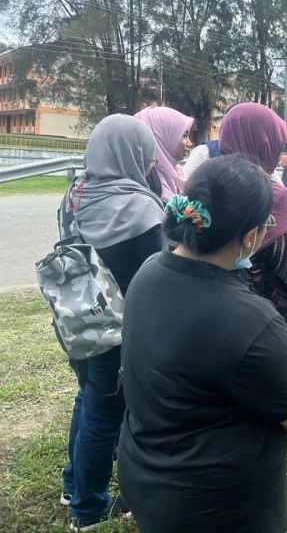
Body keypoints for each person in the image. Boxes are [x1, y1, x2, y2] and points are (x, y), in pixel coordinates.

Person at [118, 155, 287, 533]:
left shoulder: (147, 273)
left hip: (146, 481)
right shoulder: (251, 319)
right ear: (249, 238)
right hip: (217, 506)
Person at [59, 114, 164, 532]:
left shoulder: (76, 193)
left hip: (77, 323)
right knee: (104, 417)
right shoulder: (139, 206)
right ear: (133, 152)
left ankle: (74, 485)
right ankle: (88, 509)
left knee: (88, 400)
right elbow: (156, 274)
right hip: (116, 331)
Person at [217, 103, 287, 349]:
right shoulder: (274, 196)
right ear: (264, 143)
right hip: (264, 332)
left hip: (212, 326)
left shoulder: (205, 185)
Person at [134, 105, 195, 201]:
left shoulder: (176, 173)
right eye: (184, 135)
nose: (190, 143)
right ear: (162, 136)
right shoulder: (145, 176)